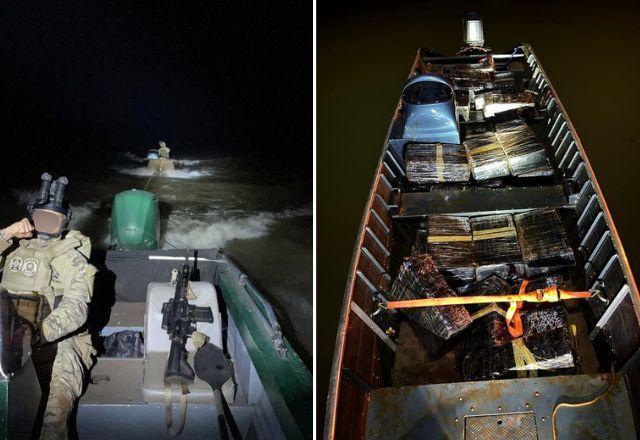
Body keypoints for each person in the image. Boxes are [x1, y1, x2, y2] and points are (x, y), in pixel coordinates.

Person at [0, 173, 96, 440]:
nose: (46, 224)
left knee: (56, 408)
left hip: (55, 340)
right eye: (41, 216)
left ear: (64, 223)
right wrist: (6, 234)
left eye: (53, 219)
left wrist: (39, 332)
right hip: (6, 337)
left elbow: (77, 306)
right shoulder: (14, 248)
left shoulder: (72, 258)